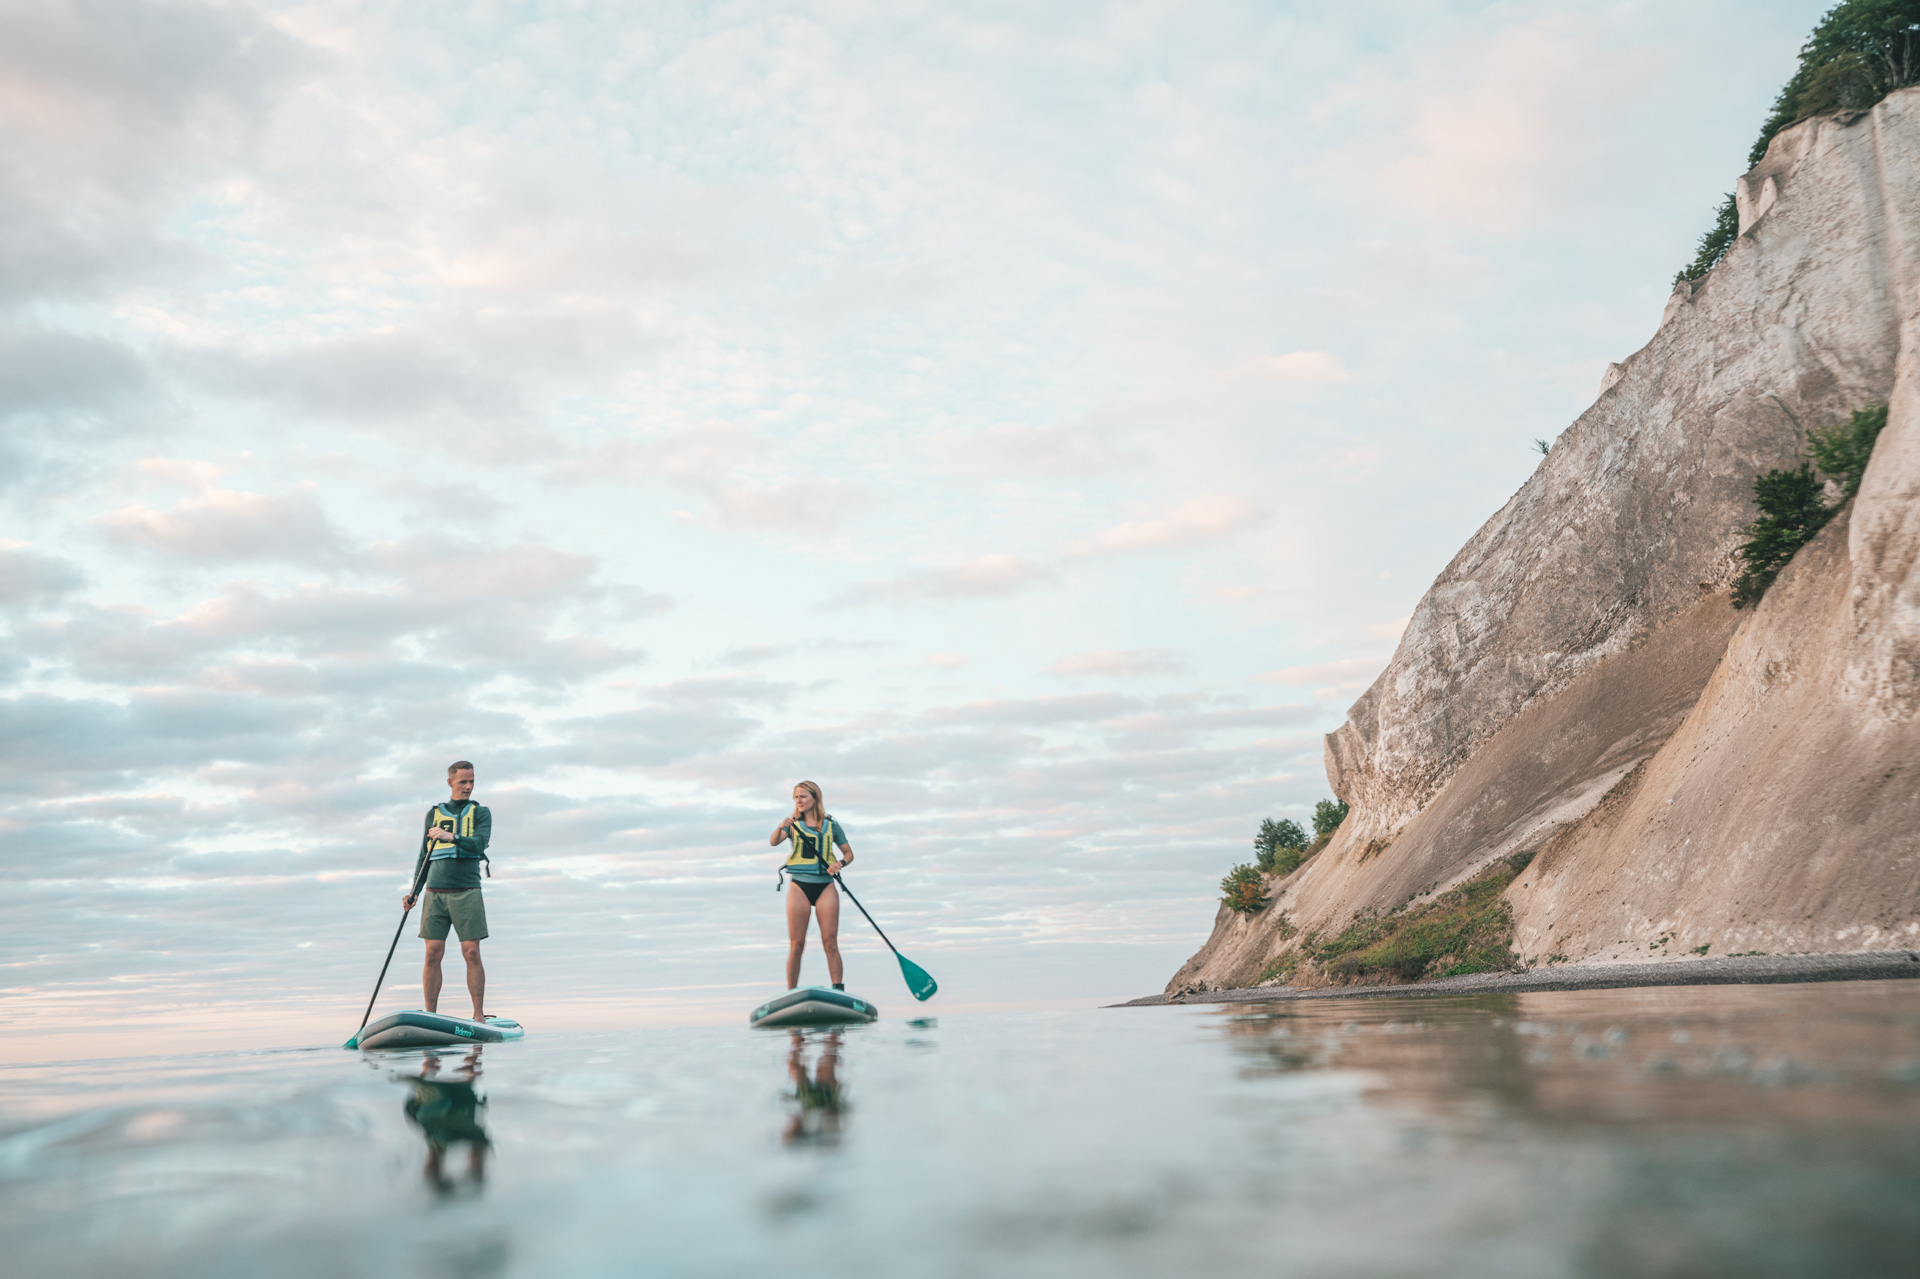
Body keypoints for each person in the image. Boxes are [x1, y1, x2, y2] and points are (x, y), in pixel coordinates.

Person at [403, 760, 492, 1021]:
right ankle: (431, 1015)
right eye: (463, 781)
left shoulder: (481, 813)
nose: (468, 787)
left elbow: (479, 844)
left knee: (471, 952)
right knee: (432, 952)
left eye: (472, 781)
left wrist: (451, 837)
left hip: (467, 890)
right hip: (435, 891)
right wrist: (414, 891)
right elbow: (424, 855)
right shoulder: (434, 815)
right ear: (450, 782)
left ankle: (478, 1015)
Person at [770, 780, 854, 990]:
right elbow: (773, 841)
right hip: (800, 886)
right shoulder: (792, 825)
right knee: (797, 944)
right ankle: (791, 992)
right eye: (796, 797)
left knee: (830, 942)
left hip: (826, 886)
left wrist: (839, 864)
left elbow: (848, 854)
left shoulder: (831, 825)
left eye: (803, 796)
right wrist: (780, 826)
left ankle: (838, 990)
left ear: (815, 798)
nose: (799, 800)